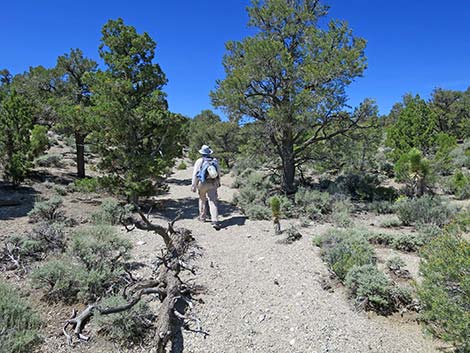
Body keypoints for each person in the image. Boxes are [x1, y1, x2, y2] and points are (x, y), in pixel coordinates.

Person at [191, 145, 221, 230]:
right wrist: (218, 182)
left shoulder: (199, 161)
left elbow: (195, 174)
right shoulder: (214, 160)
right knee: (213, 201)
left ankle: (202, 217)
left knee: (202, 199)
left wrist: (193, 185)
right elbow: (218, 173)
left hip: (202, 183)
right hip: (212, 183)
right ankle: (215, 220)